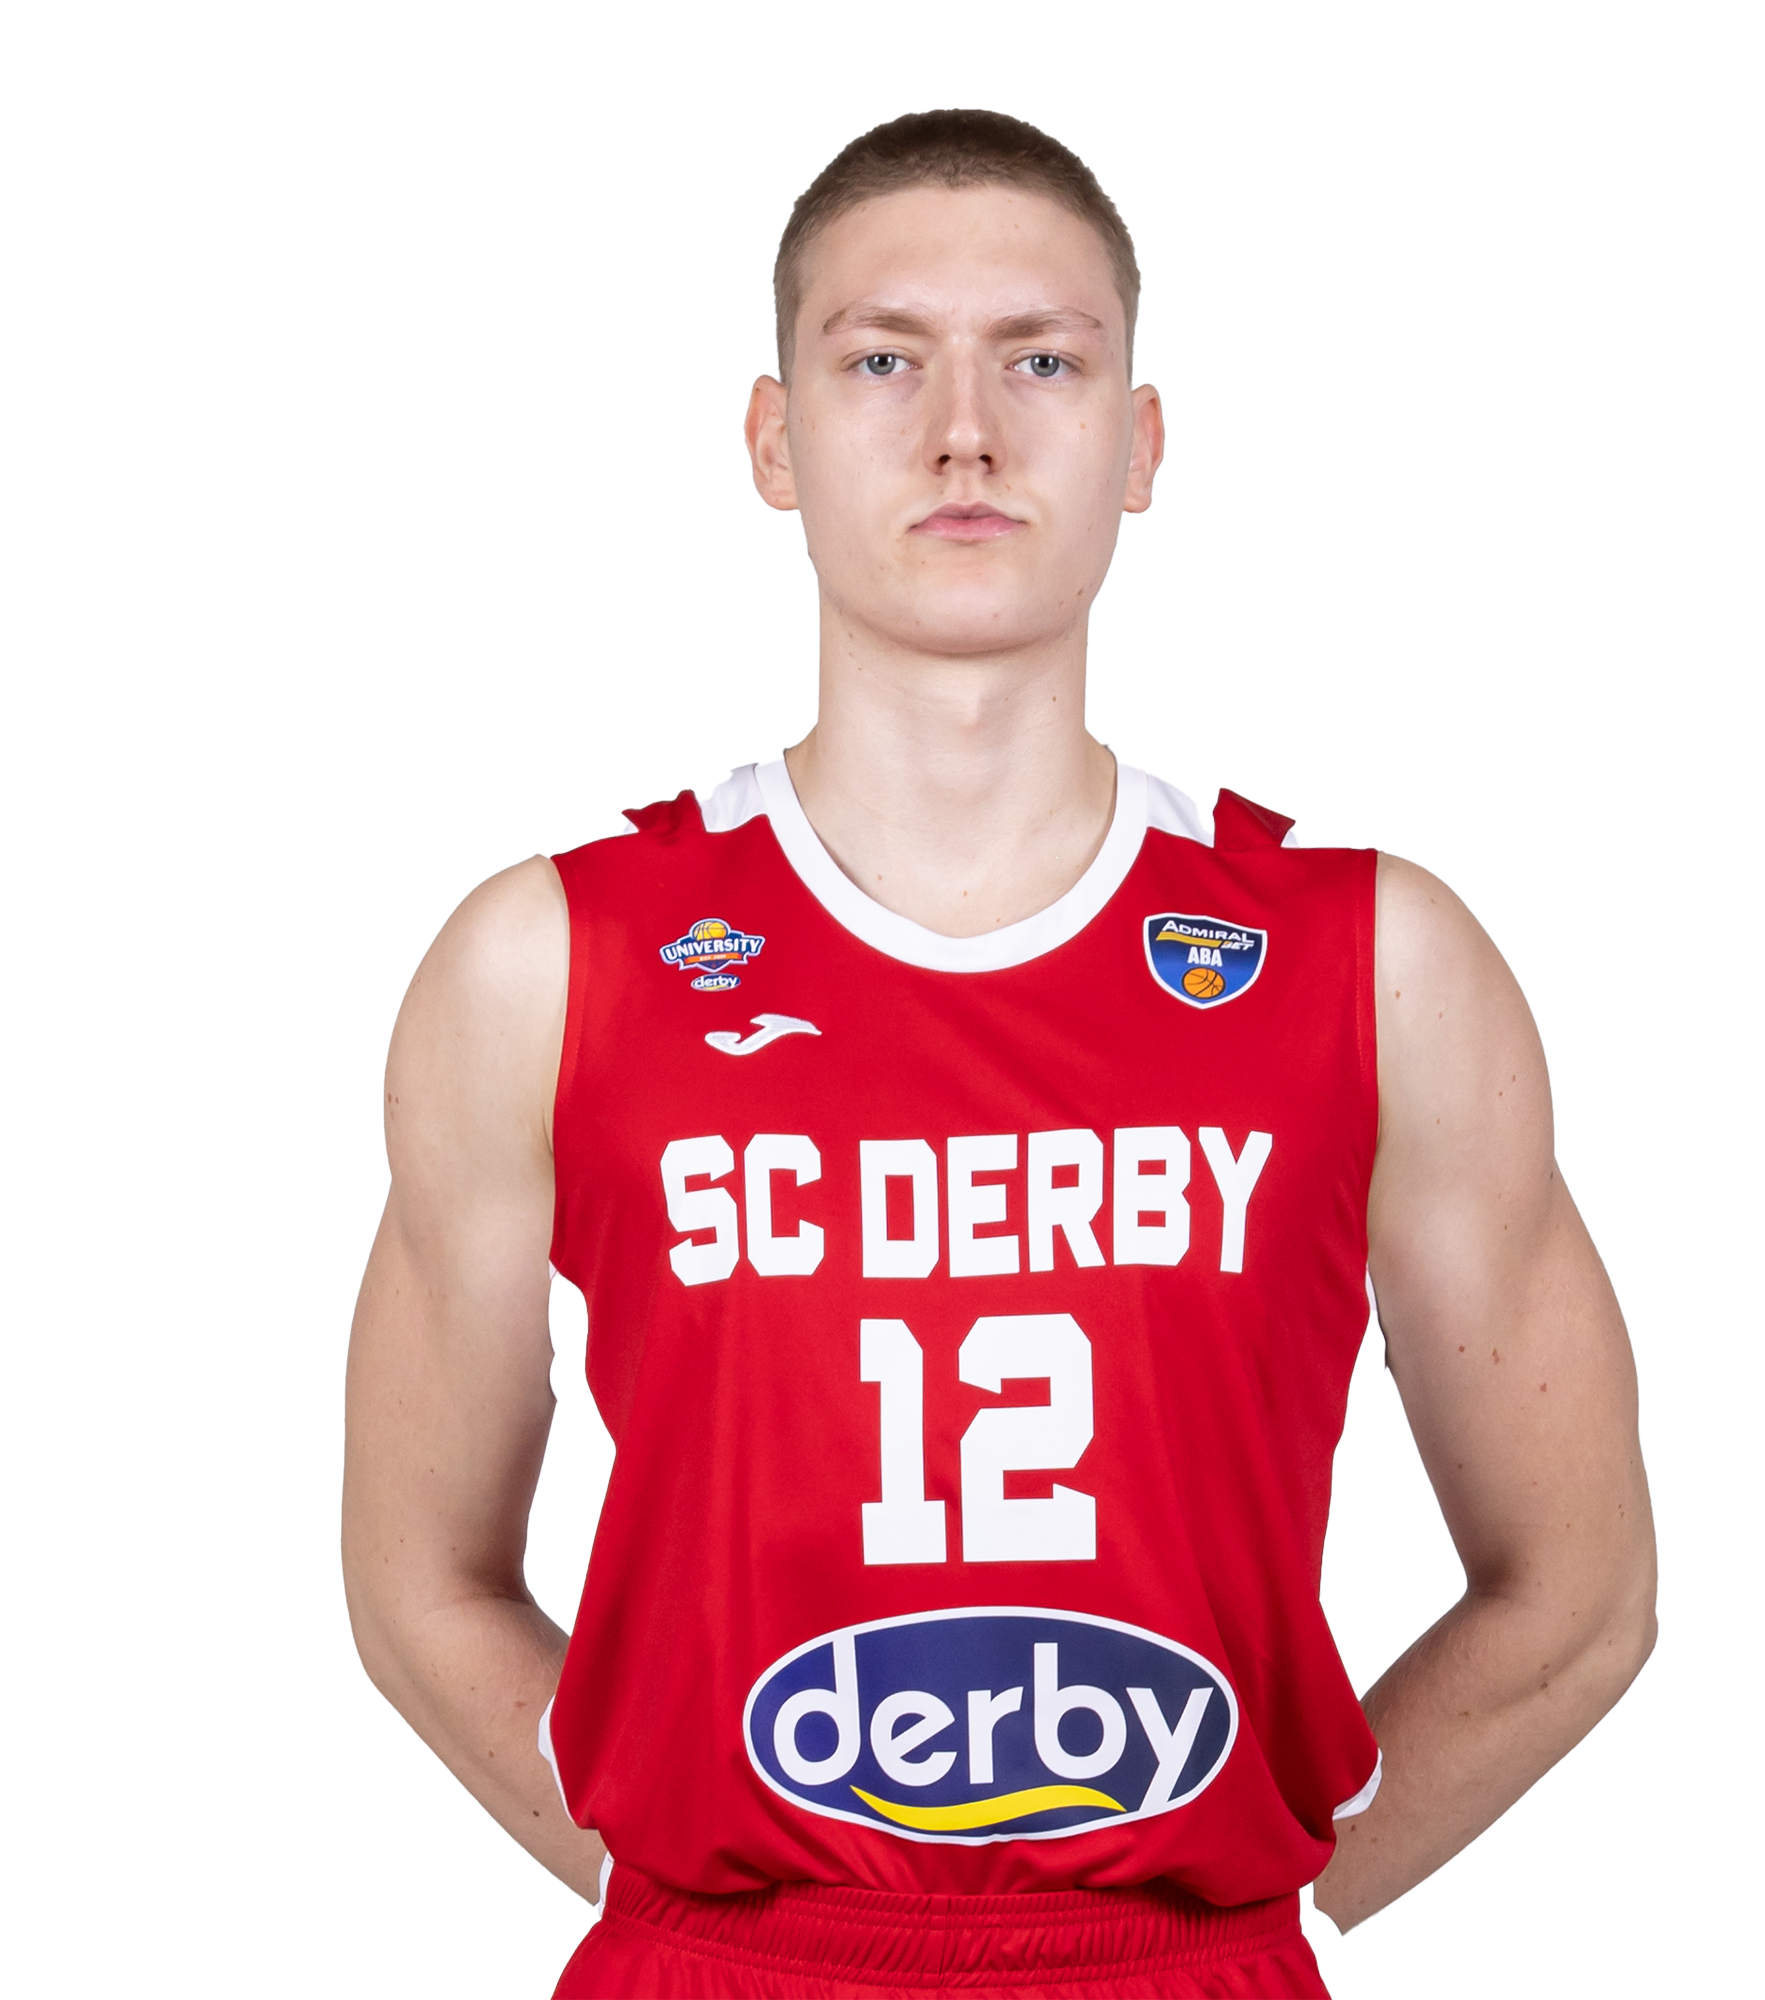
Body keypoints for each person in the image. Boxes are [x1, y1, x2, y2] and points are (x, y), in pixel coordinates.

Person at [342, 109, 1656, 1998]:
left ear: (1139, 443)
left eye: (1042, 361)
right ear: (775, 440)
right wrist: (696, 1881)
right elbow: (416, 1581)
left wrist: (1260, 1897)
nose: (964, 431)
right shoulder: (550, 965)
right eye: (883, 360)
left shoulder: (1369, 965)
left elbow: (1580, 1595)